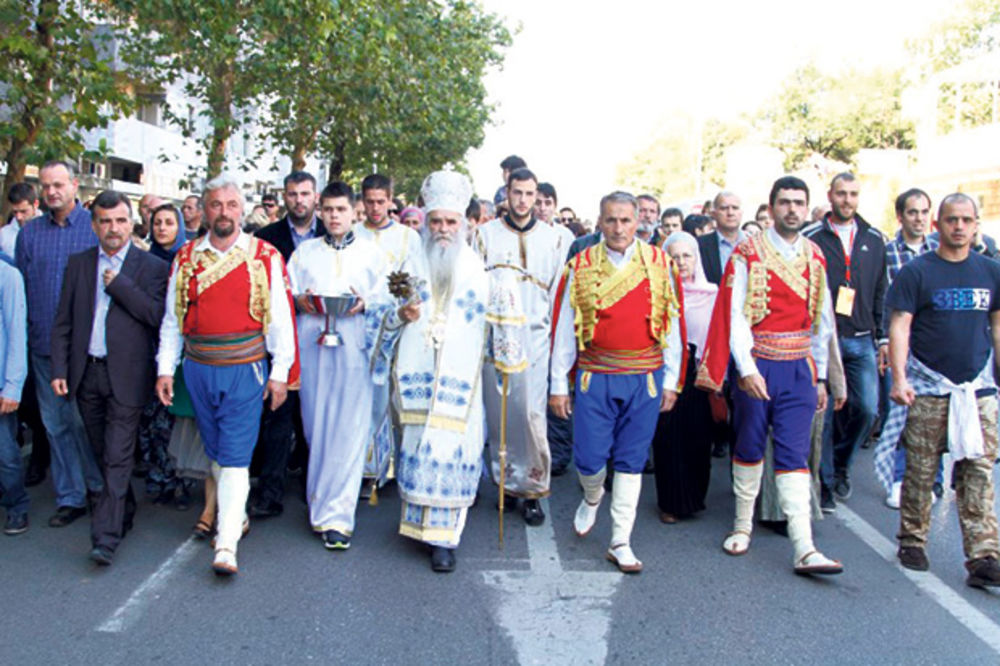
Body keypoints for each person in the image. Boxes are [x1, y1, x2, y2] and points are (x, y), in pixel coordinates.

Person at [697, 175, 841, 576]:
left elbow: (822, 321)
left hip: (799, 368)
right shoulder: (747, 252)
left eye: (799, 202)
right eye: (784, 202)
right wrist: (744, 368)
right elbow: (736, 315)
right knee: (749, 445)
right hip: (759, 362)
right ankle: (742, 526)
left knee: (795, 454)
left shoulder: (816, 255)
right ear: (772, 206)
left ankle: (804, 546)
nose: (792, 209)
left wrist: (821, 378)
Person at [156, 175, 297, 576]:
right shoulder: (184, 258)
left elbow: (280, 321)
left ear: (241, 208)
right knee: (216, 452)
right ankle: (238, 518)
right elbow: (172, 320)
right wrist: (165, 368)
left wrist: (280, 372)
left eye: (231, 205)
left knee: (235, 457)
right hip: (198, 369)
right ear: (204, 208)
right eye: (216, 205)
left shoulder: (264, 255)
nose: (224, 212)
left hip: (245, 368)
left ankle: (227, 543)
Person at [550, 191, 683, 572]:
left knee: (631, 460)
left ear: (638, 219)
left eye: (626, 220)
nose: (619, 228)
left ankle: (620, 540)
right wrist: (559, 382)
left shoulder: (660, 264)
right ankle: (592, 496)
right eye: (611, 220)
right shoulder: (580, 265)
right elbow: (564, 329)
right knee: (590, 459)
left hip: (645, 376)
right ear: (600, 221)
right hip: (596, 375)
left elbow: (671, 324)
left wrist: (671, 380)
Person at [883, 193, 1000, 588]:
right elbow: (900, 325)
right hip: (929, 388)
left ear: (976, 224)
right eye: (952, 220)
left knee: (979, 471)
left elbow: (997, 325)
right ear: (938, 224)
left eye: (967, 220)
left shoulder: (990, 271)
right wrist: (899, 379)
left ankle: (984, 555)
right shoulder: (918, 272)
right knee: (920, 469)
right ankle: (913, 540)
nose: (959, 227)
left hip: (977, 390)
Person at [50, 191, 169, 565]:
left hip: (128, 377)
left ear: (132, 222)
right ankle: (124, 508)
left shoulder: (150, 267)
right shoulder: (79, 264)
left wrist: (119, 284)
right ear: (94, 224)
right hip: (87, 374)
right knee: (104, 453)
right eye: (105, 221)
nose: (113, 228)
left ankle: (105, 537)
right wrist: (58, 369)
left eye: (120, 220)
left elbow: (155, 315)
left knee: (118, 457)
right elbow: (64, 322)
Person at [286, 181, 394, 550]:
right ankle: (320, 501)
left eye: (341, 210)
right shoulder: (304, 254)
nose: (334, 216)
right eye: (328, 210)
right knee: (317, 427)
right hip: (313, 346)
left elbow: (386, 299)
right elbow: (289, 293)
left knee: (348, 430)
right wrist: (302, 301)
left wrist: (365, 304)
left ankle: (338, 518)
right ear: (320, 211)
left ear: (354, 212)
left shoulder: (371, 255)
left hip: (354, 349)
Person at [393, 171, 488, 572]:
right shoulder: (410, 260)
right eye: (436, 222)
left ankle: (445, 540)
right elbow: (388, 314)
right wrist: (402, 314)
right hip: (419, 369)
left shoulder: (475, 268)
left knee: (453, 447)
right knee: (418, 445)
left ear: (465, 223)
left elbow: (485, 320)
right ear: (426, 223)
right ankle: (417, 525)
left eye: (451, 222)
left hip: (458, 377)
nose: (443, 230)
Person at [475, 167, 569, 526]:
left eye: (530, 194)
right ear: (506, 193)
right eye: (517, 193)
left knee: (530, 414)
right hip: (496, 336)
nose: (523, 200)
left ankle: (531, 489)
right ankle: (503, 484)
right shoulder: (484, 235)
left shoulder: (555, 238)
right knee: (500, 414)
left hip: (536, 337)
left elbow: (560, 294)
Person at [15, 160, 103, 527]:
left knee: (86, 422)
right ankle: (71, 496)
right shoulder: (30, 234)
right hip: (43, 347)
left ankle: (101, 491)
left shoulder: (95, 227)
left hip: (85, 349)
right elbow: (22, 288)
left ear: (74, 185)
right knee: (55, 425)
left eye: (58, 184)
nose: (52, 191)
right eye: (45, 185)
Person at [803, 172, 887, 512]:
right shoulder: (812, 238)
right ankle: (823, 484)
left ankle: (841, 465)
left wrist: (881, 337)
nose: (847, 200)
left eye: (853, 194)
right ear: (831, 195)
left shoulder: (874, 238)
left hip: (862, 338)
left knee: (867, 410)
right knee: (822, 416)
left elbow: (882, 290)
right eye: (841, 193)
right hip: (826, 340)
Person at [251, 171, 325, 519]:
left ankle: (315, 488)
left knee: (315, 416)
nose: (299, 200)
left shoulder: (333, 233)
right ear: (284, 197)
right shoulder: (266, 238)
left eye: (305, 193)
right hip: (280, 340)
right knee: (278, 418)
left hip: (322, 340)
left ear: (316, 196)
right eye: (292, 194)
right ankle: (270, 492)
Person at [353, 173, 428, 497]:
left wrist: (410, 304)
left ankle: (405, 464)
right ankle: (372, 467)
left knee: (404, 398)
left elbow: (418, 279)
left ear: (391, 200)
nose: (374, 208)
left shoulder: (407, 237)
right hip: (367, 329)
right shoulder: (354, 234)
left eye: (380, 201)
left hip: (404, 327)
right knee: (372, 399)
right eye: (369, 201)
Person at [876, 188, 942, 509]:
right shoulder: (886, 253)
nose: (919, 218)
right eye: (912, 212)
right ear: (900, 216)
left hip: (935, 346)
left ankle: (935, 480)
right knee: (900, 412)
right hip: (900, 343)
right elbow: (880, 300)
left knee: (937, 413)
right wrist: (884, 341)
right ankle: (900, 478)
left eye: (924, 212)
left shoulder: (941, 252)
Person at [652, 231, 717, 523]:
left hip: (702, 375)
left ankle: (694, 499)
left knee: (699, 439)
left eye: (687, 255)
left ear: (697, 258)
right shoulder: (658, 294)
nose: (681, 262)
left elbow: (721, 337)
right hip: (669, 373)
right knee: (668, 439)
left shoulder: (713, 294)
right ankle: (670, 502)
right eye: (674, 257)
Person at [137, 204, 187, 507]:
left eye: (169, 222)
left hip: (179, 351)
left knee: (176, 421)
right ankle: (158, 480)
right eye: (157, 223)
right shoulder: (142, 261)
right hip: (148, 348)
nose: (163, 228)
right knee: (151, 421)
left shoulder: (189, 259)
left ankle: (180, 481)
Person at [0, 258, 28, 535]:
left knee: (5, 453)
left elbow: (16, 333)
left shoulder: (7, 276)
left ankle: (16, 505)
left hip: (1, 383)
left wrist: (12, 385)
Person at [697, 191, 744, 286]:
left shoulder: (754, 244)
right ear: (713, 213)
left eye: (735, 208)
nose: (730, 213)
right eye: (724, 208)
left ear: (741, 212)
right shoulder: (699, 245)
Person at [1, 183, 38, 261]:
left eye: (23, 211)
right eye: (15, 212)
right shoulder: (3, 234)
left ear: (35, 204)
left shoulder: (50, 230)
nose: (19, 217)